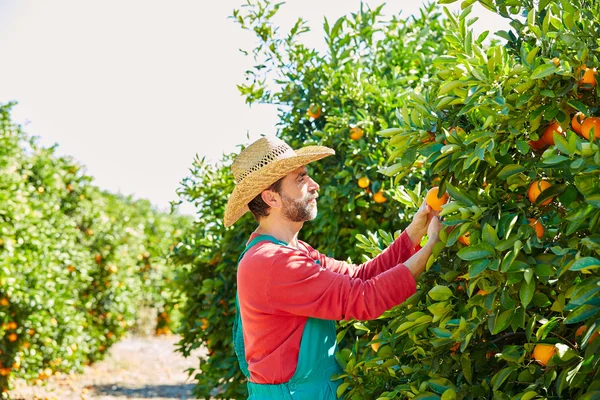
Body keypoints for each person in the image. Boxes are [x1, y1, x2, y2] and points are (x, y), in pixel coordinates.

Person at [224, 136, 442, 399]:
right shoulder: (271, 262)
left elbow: (360, 277)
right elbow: (364, 298)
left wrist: (415, 231)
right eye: (301, 179)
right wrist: (431, 247)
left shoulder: (296, 251)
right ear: (272, 198)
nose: (314, 185)